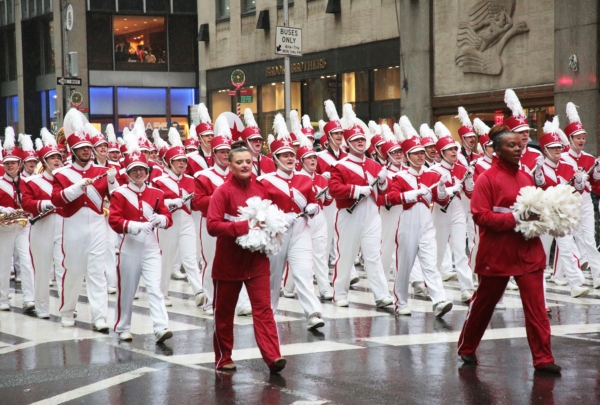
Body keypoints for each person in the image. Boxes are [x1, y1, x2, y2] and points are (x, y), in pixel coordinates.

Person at [457, 124, 560, 374]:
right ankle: (467, 346)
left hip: (528, 252)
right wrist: (515, 218)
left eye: (519, 144)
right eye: (511, 145)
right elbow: (480, 216)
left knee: (536, 309)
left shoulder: (525, 176)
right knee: (484, 305)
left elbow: (534, 211)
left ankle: (543, 359)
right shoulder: (486, 179)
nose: (518, 148)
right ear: (496, 150)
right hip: (497, 253)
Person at [207, 147, 286, 372]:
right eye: (239, 162)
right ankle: (224, 358)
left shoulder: (260, 189)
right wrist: (245, 226)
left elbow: (271, 217)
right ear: (230, 166)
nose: (244, 165)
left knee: (263, 309)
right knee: (224, 312)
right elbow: (212, 226)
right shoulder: (222, 192)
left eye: (248, 162)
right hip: (228, 262)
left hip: (257, 260)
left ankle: (273, 357)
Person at [51, 108, 118, 330]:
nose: (88, 152)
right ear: (73, 151)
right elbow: (57, 199)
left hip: (98, 225)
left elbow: (115, 198)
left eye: (89, 148)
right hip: (73, 226)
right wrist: (77, 187)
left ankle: (99, 317)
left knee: (97, 271)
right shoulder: (62, 174)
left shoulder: (102, 169)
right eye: (82, 149)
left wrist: (112, 182)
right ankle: (68, 310)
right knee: (74, 269)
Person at [260, 114, 324, 330]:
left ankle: (313, 312)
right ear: (275, 158)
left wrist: (312, 208)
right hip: (275, 232)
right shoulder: (264, 181)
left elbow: (312, 201)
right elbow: (259, 210)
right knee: (273, 276)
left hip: (300, 230)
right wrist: (276, 217)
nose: (290, 158)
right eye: (284, 155)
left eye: (291, 155)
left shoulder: (305, 179)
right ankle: (269, 312)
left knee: (304, 271)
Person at [109, 127, 173, 342]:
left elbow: (167, 217)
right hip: (129, 247)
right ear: (128, 172)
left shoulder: (157, 193)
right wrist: (134, 226)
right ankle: (123, 326)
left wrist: (161, 219)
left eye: (142, 169)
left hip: (152, 247)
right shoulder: (119, 194)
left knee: (155, 287)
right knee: (127, 289)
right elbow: (114, 221)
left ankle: (161, 327)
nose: (139, 173)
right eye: (135, 169)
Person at [384, 118, 453, 317]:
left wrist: (441, 190)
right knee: (405, 266)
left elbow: (442, 200)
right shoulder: (399, 176)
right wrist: (411, 194)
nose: (421, 156)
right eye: (416, 154)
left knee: (430, 263)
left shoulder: (432, 174)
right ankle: (401, 302)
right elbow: (391, 197)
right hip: (407, 222)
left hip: (426, 223)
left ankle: (439, 300)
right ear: (407, 157)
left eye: (422, 153)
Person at [328, 106, 393, 308]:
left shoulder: (375, 165)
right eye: (356, 140)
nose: (361, 143)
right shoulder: (340, 165)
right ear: (348, 143)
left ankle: (381, 295)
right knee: (346, 254)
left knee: (373, 255)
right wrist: (356, 190)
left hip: (372, 214)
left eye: (363, 140)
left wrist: (383, 182)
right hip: (349, 213)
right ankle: (339, 293)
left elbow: (384, 191)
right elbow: (334, 189)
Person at [194, 117, 252, 316]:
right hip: (211, 222)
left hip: (234, 223)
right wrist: (220, 199)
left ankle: (242, 302)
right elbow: (198, 202)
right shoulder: (203, 176)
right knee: (212, 261)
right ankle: (210, 300)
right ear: (214, 154)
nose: (225, 155)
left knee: (239, 260)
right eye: (221, 152)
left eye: (228, 152)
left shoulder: (237, 174)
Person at [532, 119, 589, 298]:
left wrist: (579, 182)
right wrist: (538, 171)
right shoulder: (539, 167)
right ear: (545, 150)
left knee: (567, 247)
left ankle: (576, 284)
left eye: (559, 147)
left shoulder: (566, 167)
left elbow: (576, 190)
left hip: (561, 215)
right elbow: (538, 184)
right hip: (544, 215)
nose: (559, 150)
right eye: (554, 148)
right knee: (540, 255)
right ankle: (537, 292)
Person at [153, 128, 205, 307]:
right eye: (178, 161)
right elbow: (155, 204)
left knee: (190, 257)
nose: (183, 164)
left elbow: (196, 204)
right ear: (169, 162)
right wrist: (171, 202)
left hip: (187, 221)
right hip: (168, 223)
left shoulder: (191, 180)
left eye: (184, 160)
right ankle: (162, 292)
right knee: (166, 258)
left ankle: (199, 290)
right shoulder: (159, 180)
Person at [282, 127, 334, 301]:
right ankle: (289, 286)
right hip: (301, 219)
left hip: (319, 218)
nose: (313, 161)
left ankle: (325, 287)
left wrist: (328, 193)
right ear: (301, 161)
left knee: (321, 252)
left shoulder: (321, 178)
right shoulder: (296, 178)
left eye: (314, 158)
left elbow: (326, 202)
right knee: (299, 253)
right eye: (308, 158)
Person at [21, 130, 64, 318]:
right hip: (41, 227)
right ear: (44, 161)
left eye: (58, 157)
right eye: (52, 157)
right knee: (43, 267)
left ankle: (67, 306)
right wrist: (44, 204)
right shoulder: (32, 181)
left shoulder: (66, 180)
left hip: (63, 225)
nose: (56, 160)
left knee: (64, 267)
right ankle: (42, 307)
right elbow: (26, 203)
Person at [430, 122, 475, 302]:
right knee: (438, 250)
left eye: (455, 149)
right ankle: (431, 283)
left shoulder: (461, 169)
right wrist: (448, 189)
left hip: (457, 209)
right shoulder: (433, 170)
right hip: (440, 211)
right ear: (441, 153)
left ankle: (467, 288)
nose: (454, 152)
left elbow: (470, 193)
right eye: (450, 150)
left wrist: (469, 180)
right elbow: (435, 196)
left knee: (460, 249)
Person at [562, 102, 600, 289]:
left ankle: (597, 275)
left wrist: (597, 171)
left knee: (589, 238)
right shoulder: (563, 158)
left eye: (583, 137)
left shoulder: (589, 158)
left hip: (585, 201)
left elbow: (594, 181)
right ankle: (575, 276)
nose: (581, 140)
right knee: (573, 238)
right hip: (569, 201)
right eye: (578, 137)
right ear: (570, 139)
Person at [0, 128, 35, 312]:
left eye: (13, 163)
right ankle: (2, 298)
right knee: (4, 262)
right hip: (5, 226)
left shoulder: (27, 182)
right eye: (7, 163)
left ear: (20, 164)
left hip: (23, 226)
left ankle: (29, 298)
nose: (10, 166)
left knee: (27, 261)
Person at [504, 89, 542, 173]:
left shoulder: (537, 155)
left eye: (527, 132)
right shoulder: (503, 155)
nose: (525, 135)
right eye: (521, 132)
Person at [241, 108, 276, 177]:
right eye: (254, 139)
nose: (258, 141)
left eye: (260, 139)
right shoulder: (241, 162)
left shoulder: (269, 162)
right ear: (246, 143)